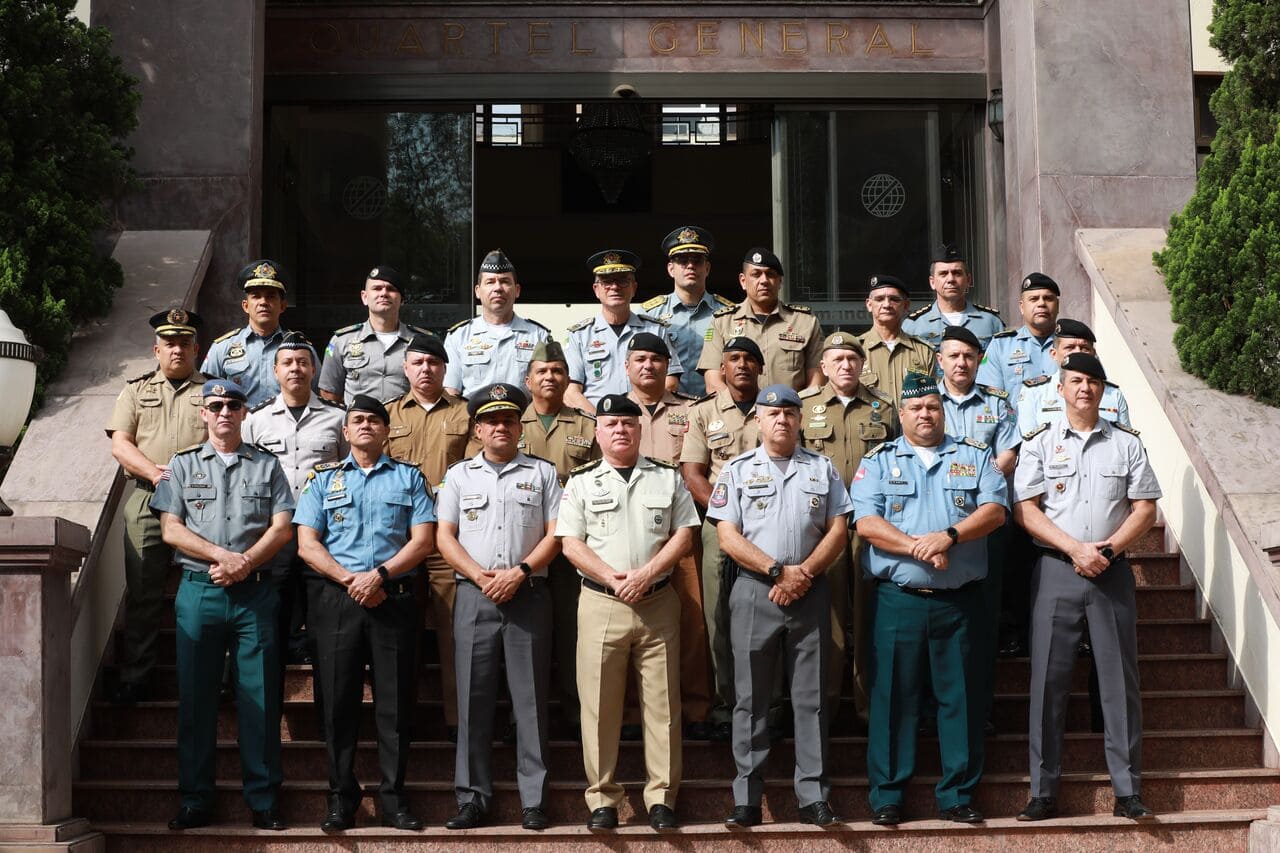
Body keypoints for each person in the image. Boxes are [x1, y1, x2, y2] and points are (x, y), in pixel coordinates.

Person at [851, 371, 1008, 826]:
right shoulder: (879, 460)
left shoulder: (975, 457)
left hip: (959, 602)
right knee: (893, 699)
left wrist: (950, 537)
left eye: (933, 407)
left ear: (944, 410)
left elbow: (995, 511)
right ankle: (887, 796)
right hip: (898, 600)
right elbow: (866, 523)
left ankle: (957, 794)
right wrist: (921, 546)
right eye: (916, 408)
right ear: (901, 415)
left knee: (960, 698)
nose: (926, 414)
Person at [1012, 352, 1161, 822]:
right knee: (1047, 684)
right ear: (1060, 388)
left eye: (1093, 382)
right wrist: (1075, 549)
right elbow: (1026, 510)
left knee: (1120, 682)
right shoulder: (1038, 443)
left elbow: (1144, 510)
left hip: (1111, 571)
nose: (1085, 389)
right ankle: (1043, 790)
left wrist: (1108, 551)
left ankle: (1128, 789)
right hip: (1057, 569)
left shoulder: (1126, 444)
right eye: (1076, 380)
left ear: (1103, 390)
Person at [150, 379, 295, 831]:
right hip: (200, 592)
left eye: (233, 405)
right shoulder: (183, 464)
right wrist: (223, 558)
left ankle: (264, 798)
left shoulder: (267, 466)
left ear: (245, 411)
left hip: (254, 592)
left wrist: (245, 562)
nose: (225, 412)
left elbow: (283, 527)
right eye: (216, 405)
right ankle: (195, 798)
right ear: (204, 413)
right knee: (196, 698)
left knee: (262, 697)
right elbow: (171, 529)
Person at [709, 384, 852, 829]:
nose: (782, 420)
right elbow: (727, 536)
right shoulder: (735, 470)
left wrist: (803, 573)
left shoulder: (822, 468)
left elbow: (839, 528)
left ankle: (813, 796)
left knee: (811, 699)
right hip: (756, 590)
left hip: (809, 592)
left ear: (800, 419)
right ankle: (747, 798)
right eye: (772, 413)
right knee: (750, 698)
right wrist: (776, 572)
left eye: (790, 412)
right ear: (758, 420)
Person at [556, 394, 700, 832]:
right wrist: (614, 578)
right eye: (611, 423)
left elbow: (684, 534)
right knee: (599, 706)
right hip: (602, 601)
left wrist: (648, 573)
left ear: (640, 430)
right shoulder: (580, 481)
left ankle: (662, 797)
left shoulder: (666, 477)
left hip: (657, 600)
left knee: (663, 705)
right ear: (597, 432)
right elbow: (570, 543)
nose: (620, 430)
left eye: (628, 423)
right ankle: (602, 798)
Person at [294, 395, 435, 832]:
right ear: (345, 431)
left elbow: (423, 540)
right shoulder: (322, 480)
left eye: (375, 420)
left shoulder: (410, 478)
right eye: (358, 420)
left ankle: (394, 799)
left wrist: (379, 576)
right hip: (338, 600)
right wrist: (350, 580)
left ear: (387, 430)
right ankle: (341, 798)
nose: (366, 427)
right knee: (337, 703)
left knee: (395, 704)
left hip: (393, 598)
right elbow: (307, 543)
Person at [435, 383, 563, 831]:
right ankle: (472, 798)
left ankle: (534, 799)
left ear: (519, 425)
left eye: (509, 419)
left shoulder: (543, 473)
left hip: (527, 593)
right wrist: (478, 575)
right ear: (477, 428)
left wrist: (521, 572)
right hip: (474, 594)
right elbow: (444, 537)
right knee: (472, 698)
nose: (501, 427)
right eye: (491, 420)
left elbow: (556, 534)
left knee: (530, 702)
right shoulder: (458, 476)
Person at [104, 308, 208, 704]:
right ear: (156, 350)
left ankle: (214, 675)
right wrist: (155, 473)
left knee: (208, 590)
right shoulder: (135, 390)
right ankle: (137, 676)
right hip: (148, 497)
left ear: (196, 348)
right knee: (144, 590)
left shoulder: (215, 391)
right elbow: (120, 444)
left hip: (204, 500)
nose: (177, 350)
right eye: (170, 344)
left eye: (184, 343)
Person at [798, 332, 899, 727]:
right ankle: (827, 706)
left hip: (872, 527)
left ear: (862, 365)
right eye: (836, 359)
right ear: (823, 367)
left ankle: (868, 707)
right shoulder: (804, 409)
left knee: (870, 616)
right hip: (821, 531)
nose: (845, 366)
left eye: (851, 359)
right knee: (828, 617)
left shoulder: (883, 409)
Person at [624, 332, 712, 740]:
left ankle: (695, 708)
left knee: (693, 621)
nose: (648, 366)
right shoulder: (611, 413)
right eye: (639, 359)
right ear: (627, 366)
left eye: (656, 360)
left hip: (682, 530)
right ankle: (628, 713)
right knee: (628, 620)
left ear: (668, 367)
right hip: (628, 533)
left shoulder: (693, 411)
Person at [384, 333, 472, 740]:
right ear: (405, 368)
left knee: (454, 632)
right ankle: (403, 718)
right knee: (398, 632)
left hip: (446, 539)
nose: (425, 370)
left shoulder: (467, 414)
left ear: (445, 368)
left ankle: (457, 721)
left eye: (433, 364)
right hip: (396, 539)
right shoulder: (386, 416)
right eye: (417, 363)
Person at [243, 332, 348, 666]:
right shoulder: (255, 420)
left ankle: (318, 654)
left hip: (325, 529)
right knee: (278, 596)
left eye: (303, 362)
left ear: (314, 370)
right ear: (275, 371)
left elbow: (350, 470)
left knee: (321, 598)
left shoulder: (338, 417)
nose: (296, 369)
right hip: (276, 528)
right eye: (287, 362)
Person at [934, 324, 1020, 731]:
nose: (962, 363)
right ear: (940, 360)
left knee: (982, 622)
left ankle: (978, 711)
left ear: (979, 361)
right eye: (953, 356)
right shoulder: (923, 402)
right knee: (934, 620)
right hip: (933, 524)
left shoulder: (998, 404)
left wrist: (974, 498)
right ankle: (933, 712)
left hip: (984, 523)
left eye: (969, 356)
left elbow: (1007, 457)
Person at [680, 336, 764, 741]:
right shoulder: (703, 413)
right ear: (722, 369)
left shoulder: (777, 409)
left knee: (770, 614)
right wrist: (725, 512)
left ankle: (770, 706)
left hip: (769, 529)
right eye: (734, 359)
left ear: (761, 368)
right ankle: (724, 707)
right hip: (718, 526)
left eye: (750, 359)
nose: (743, 365)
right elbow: (693, 473)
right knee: (717, 616)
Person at [518, 340, 599, 736]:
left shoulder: (587, 425)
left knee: (572, 632)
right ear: (528, 379)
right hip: (521, 546)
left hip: (571, 548)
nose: (550, 377)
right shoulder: (510, 421)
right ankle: (523, 719)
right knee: (522, 635)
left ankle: (572, 713)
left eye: (558, 372)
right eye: (543, 372)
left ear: (568, 379)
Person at [562, 250, 684, 411]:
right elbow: (571, 393)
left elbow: (671, 381)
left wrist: (642, 418)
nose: (615, 287)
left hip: (646, 422)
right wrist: (603, 422)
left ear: (634, 288)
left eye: (622, 281)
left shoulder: (655, 330)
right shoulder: (580, 335)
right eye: (607, 282)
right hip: (596, 426)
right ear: (596, 290)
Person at [698, 248, 823, 393]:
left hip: (790, 413)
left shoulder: (805, 322)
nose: (764, 281)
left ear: (780, 282)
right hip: (739, 414)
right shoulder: (721, 322)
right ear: (743, 281)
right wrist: (741, 413)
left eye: (770, 274)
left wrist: (790, 412)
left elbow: (817, 381)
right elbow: (714, 383)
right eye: (756, 274)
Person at [202, 260, 314, 406]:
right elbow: (207, 395)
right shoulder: (222, 348)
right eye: (256, 296)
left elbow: (318, 393)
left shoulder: (302, 349)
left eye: (271, 296)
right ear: (245, 306)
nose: (263, 302)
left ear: (282, 305)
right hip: (240, 427)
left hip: (288, 426)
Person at [318, 265, 435, 405]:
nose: (384, 293)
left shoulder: (424, 342)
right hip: (362, 425)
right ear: (365, 297)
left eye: (391, 289)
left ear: (402, 300)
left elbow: (435, 391)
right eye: (377, 288)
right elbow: (329, 395)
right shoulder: (341, 341)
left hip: (409, 425)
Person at [443, 249, 552, 398]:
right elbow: (451, 393)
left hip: (524, 420)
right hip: (473, 420)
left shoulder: (538, 335)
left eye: (505, 281)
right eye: (490, 282)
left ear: (517, 290)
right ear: (477, 291)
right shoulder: (458, 336)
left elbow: (548, 392)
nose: (498, 288)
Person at [640, 225, 734, 397]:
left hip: (715, 406)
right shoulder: (650, 313)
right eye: (682, 261)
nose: (690, 266)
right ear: (670, 269)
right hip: (668, 407)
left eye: (697, 260)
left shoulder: (728, 313)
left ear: (707, 268)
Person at [1015, 319, 1131, 435]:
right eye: (1070, 348)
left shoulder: (1113, 394)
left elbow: (1125, 442)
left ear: (1094, 354)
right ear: (1054, 354)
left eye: (1084, 348)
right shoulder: (1034, 392)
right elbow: (1030, 444)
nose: (1077, 353)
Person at [902, 245, 1003, 351]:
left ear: (968, 280)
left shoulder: (991, 321)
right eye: (943, 274)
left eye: (957, 273)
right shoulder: (914, 325)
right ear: (932, 282)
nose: (950, 279)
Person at [976, 272, 1061, 391]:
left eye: (1048, 298)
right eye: (1034, 299)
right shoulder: (1000, 346)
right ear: (1022, 307)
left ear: (1057, 306)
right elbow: (990, 398)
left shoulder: (1074, 344)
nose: (1041, 303)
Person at [857, 275, 936, 404]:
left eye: (894, 299)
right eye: (879, 299)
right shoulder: (855, 350)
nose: (887, 304)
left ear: (906, 305)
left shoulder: (924, 351)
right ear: (869, 305)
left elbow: (933, 400)